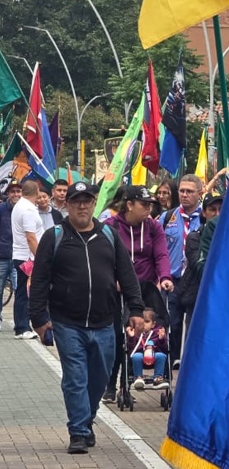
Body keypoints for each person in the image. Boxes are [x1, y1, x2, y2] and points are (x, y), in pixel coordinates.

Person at [28, 181, 146, 454]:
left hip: (106, 322)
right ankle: (79, 432)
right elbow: (41, 279)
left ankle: (86, 418)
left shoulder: (109, 235)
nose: (82, 206)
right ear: (67, 205)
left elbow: (127, 275)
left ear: (94, 204)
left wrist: (136, 310)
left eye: (87, 201)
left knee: (100, 378)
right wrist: (38, 317)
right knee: (75, 377)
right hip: (67, 323)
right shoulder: (54, 236)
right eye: (76, 201)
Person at [102, 185, 173, 402]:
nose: (148, 209)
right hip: (119, 288)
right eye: (143, 204)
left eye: (150, 205)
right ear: (129, 204)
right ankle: (112, 383)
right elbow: (103, 258)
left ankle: (137, 376)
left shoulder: (153, 227)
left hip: (146, 286)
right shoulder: (110, 226)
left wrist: (165, 277)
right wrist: (111, 279)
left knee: (148, 329)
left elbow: (161, 254)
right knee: (117, 334)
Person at [159, 174, 204, 368]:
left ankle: (191, 364)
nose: (184, 195)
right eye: (182, 191)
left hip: (196, 282)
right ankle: (173, 362)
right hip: (173, 281)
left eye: (189, 191)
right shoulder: (168, 217)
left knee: (193, 324)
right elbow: (158, 249)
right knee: (173, 323)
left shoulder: (206, 217)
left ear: (200, 193)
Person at [178, 192, 223, 335]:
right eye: (212, 209)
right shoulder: (194, 237)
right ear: (203, 212)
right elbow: (201, 269)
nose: (217, 214)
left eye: (221, 209)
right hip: (197, 300)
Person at [11, 180, 44, 339]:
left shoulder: (22, 206)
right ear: (37, 191)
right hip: (27, 257)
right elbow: (31, 237)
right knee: (24, 292)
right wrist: (40, 257)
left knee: (23, 291)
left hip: (24, 255)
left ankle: (23, 325)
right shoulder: (27, 209)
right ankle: (22, 327)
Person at [126, 309, 169, 390]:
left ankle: (158, 378)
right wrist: (131, 337)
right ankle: (138, 377)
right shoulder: (136, 332)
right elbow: (131, 348)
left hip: (154, 355)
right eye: (141, 321)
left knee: (161, 355)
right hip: (141, 356)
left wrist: (161, 339)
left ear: (153, 324)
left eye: (147, 321)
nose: (143, 324)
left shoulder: (157, 333)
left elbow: (164, 348)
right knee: (136, 356)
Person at [0, 181, 21, 330]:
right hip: (2, 256)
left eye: (18, 191)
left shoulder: (26, 209)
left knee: (20, 290)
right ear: (8, 194)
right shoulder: (1, 209)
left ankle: (20, 323)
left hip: (19, 258)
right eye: (13, 192)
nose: (16, 194)